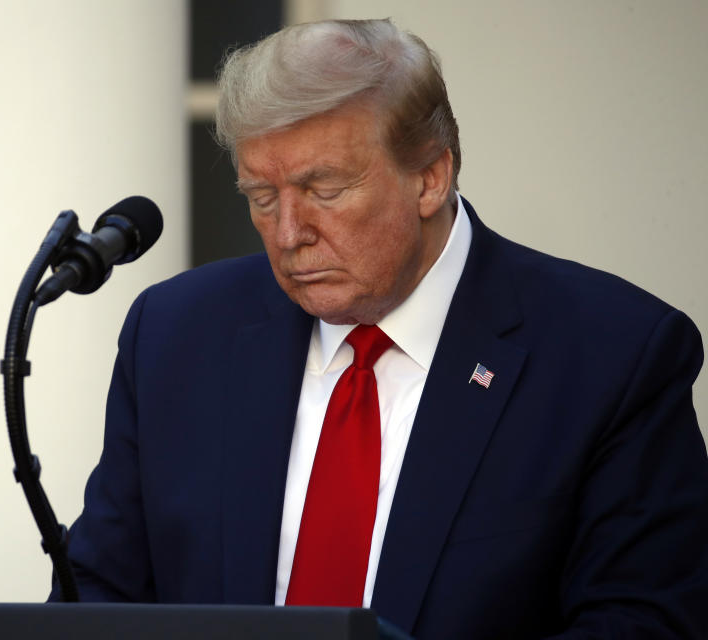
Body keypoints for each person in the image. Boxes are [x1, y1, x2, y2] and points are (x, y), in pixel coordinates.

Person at [52, 18, 708, 639]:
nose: (288, 234)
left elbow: (641, 625)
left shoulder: (612, 355)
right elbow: (98, 598)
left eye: (325, 189)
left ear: (430, 176)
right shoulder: (176, 334)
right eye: (261, 196)